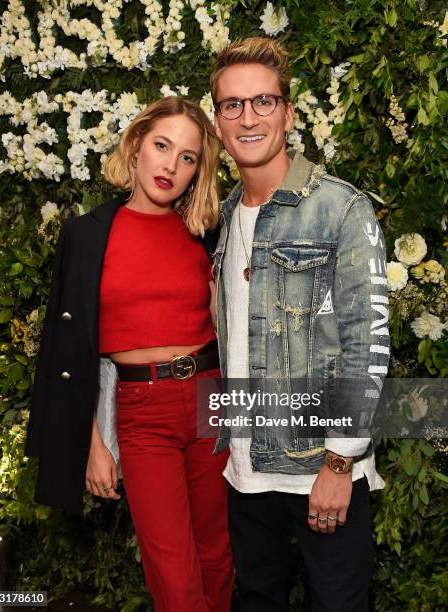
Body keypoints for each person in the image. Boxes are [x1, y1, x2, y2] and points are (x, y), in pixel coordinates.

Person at [25, 96, 234, 612]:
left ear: (197, 170)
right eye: (162, 146)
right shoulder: (88, 234)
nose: (171, 165)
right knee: (174, 572)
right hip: (143, 413)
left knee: (219, 558)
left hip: (213, 399)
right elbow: (66, 350)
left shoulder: (206, 232)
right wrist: (95, 444)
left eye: (187, 157)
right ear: (137, 144)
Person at [209, 38, 390, 612]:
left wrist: (341, 462)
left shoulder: (340, 208)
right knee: (258, 598)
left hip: (318, 470)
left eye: (263, 101)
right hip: (245, 471)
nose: (248, 117)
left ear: (289, 112)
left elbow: (367, 345)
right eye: (232, 105)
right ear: (217, 122)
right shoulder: (225, 216)